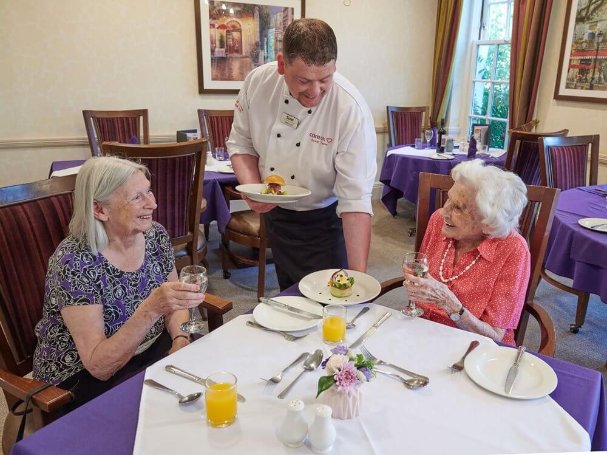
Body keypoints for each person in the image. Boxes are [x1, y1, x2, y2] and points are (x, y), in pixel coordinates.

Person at [33, 156, 203, 409]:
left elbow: (175, 301)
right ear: (100, 209)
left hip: (151, 345)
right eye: (137, 197)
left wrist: (180, 339)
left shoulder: (154, 234)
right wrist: (151, 308)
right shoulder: (75, 263)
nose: (153, 204)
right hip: (84, 374)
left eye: (149, 192)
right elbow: (99, 367)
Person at [227, 18, 377, 290]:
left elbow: (355, 200)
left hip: (325, 223)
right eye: (304, 80)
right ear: (282, 64)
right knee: (290, 294)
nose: (315, 92)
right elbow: (241, 143)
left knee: (333, 299)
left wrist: (360, 283)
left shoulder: (349, 109)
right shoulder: (257, 84)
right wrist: (254, 190)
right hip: (276, 216)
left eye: (325, 79)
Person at [404, 160, 530, 344]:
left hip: (474, 348)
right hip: (422, 332)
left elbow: (496, 336)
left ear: (487, 223)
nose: (444, 212)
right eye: (449, 199)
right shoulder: (438, 221)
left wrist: (450, 304)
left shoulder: (513, 250)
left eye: (458, 207)